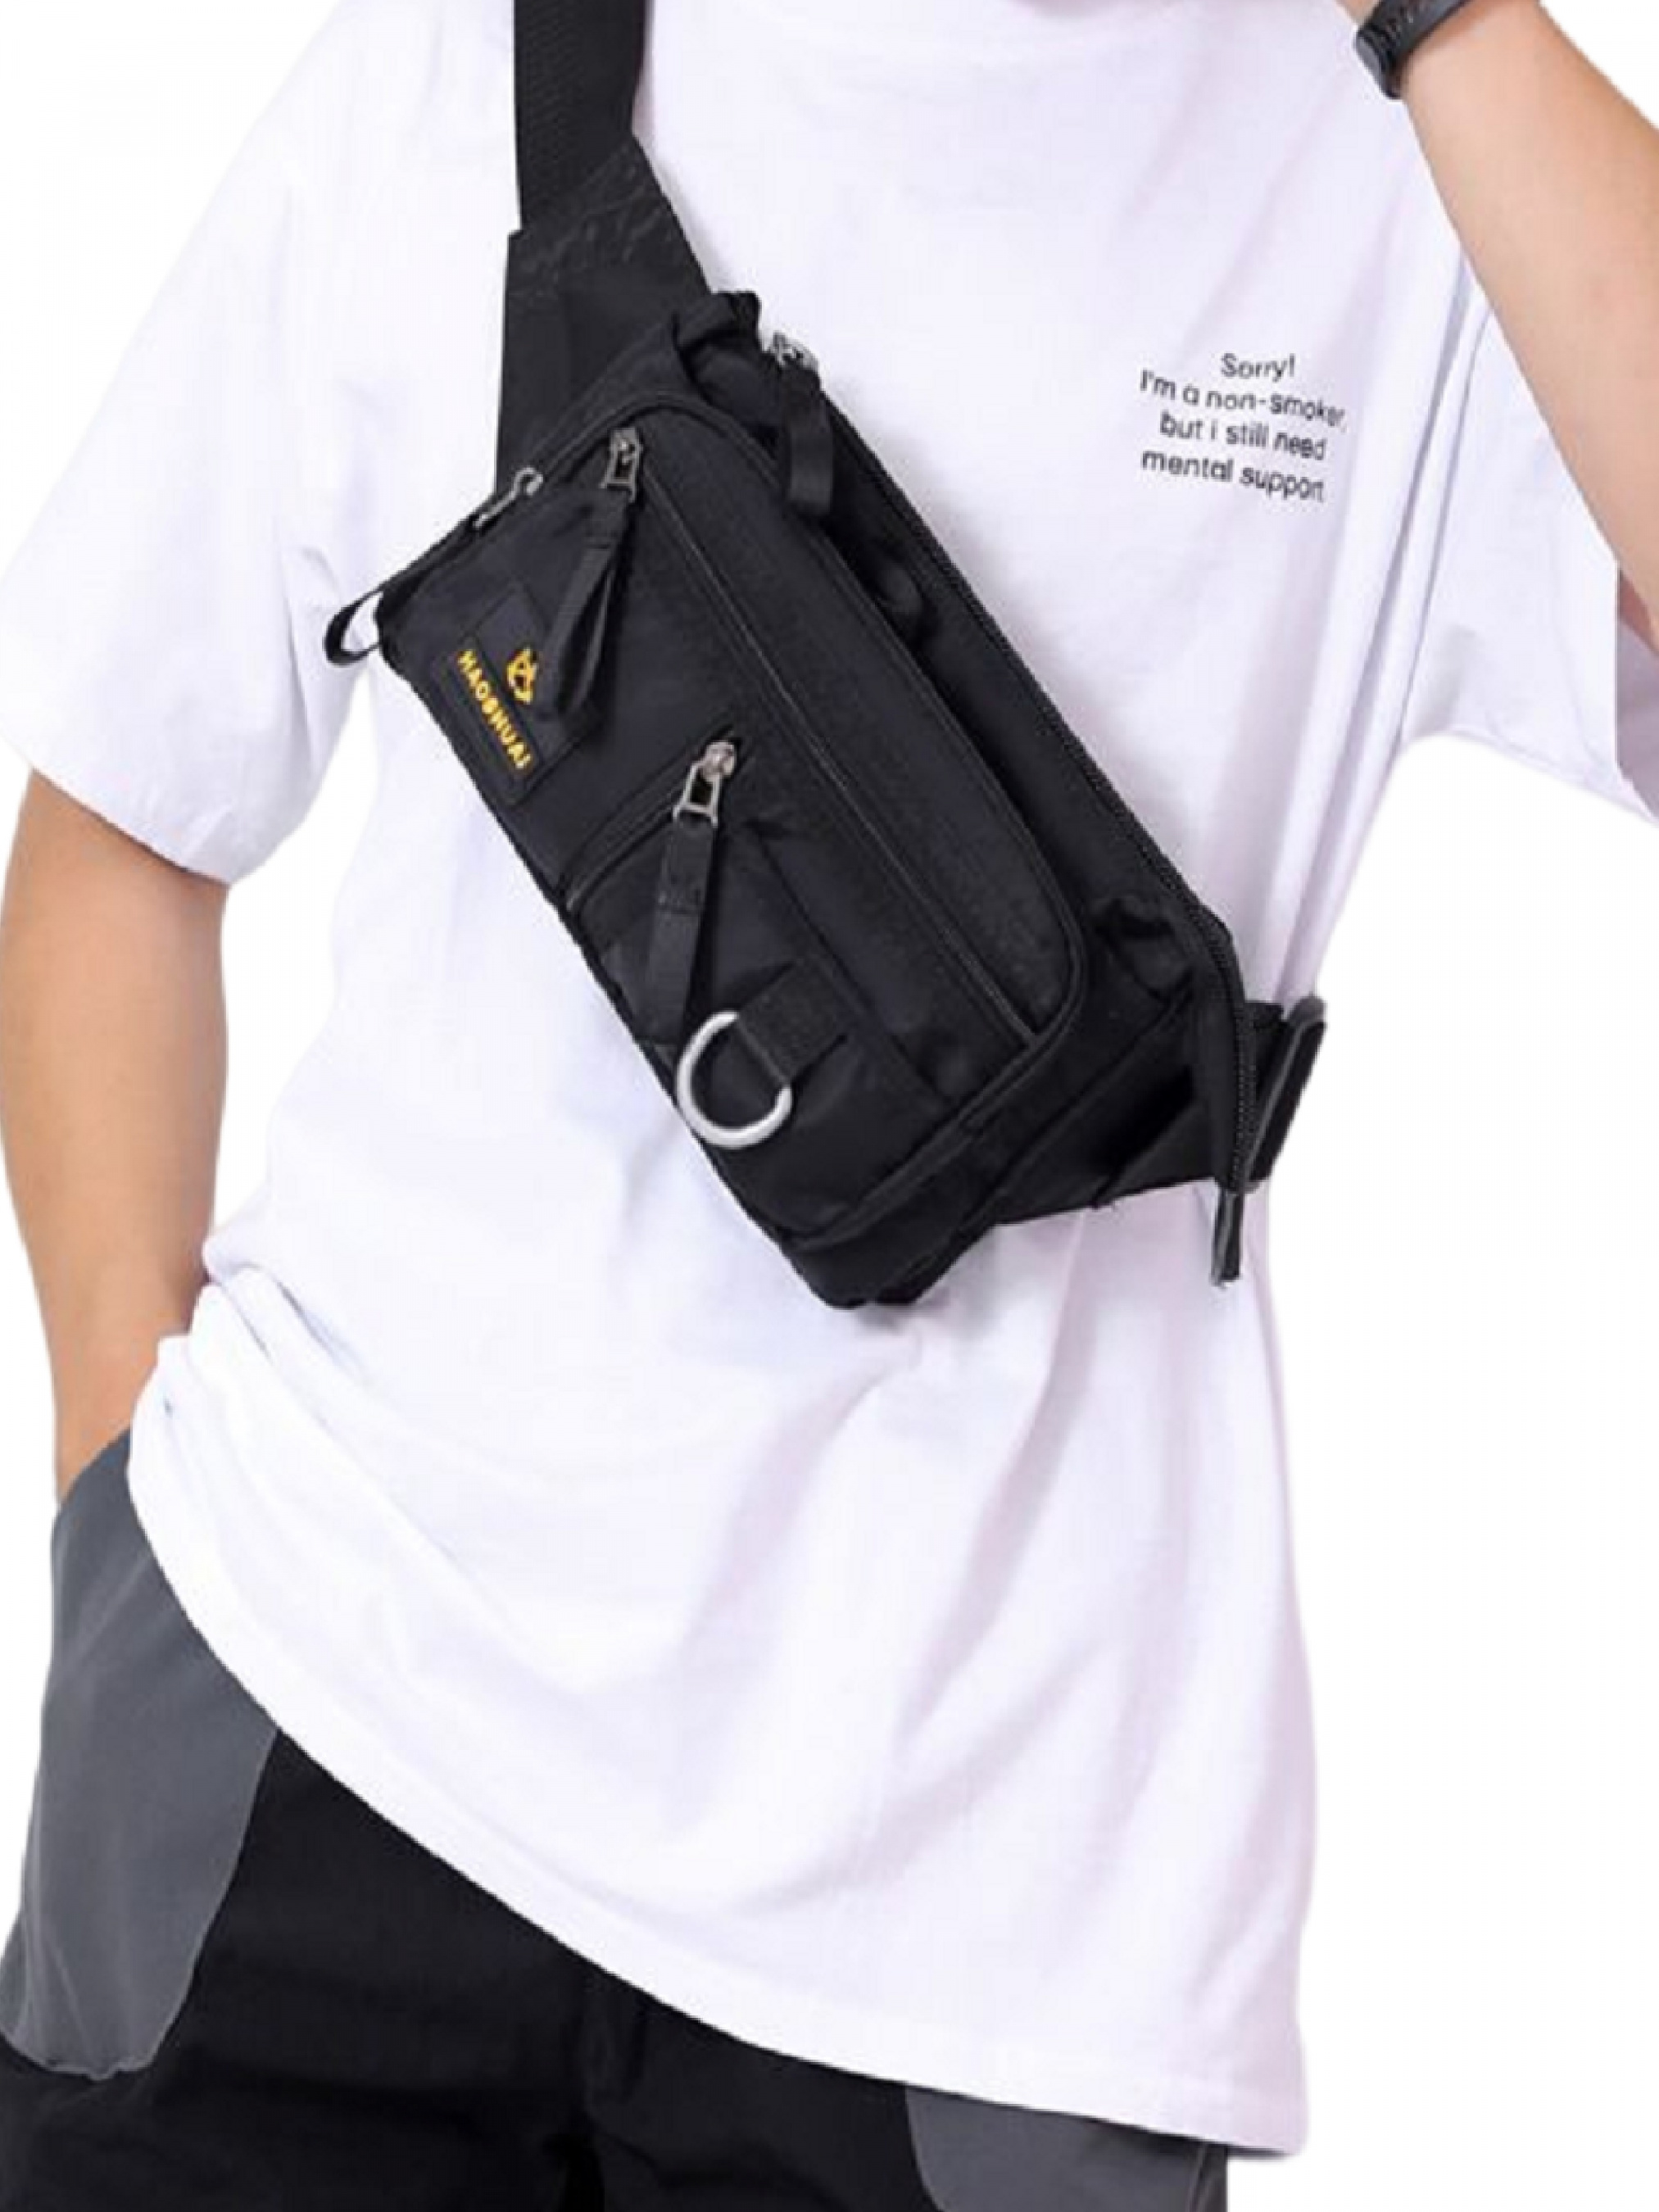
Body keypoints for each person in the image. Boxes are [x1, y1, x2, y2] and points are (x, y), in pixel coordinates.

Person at [1, 0, 1656, 2204]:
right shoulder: (473, 62)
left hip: (1002, 1923)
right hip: (316, 1696)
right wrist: (121, 1507)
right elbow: (123, 812)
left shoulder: (1409, 172)